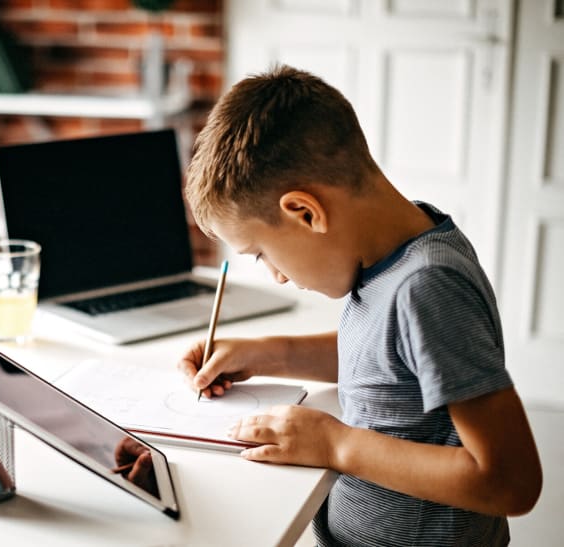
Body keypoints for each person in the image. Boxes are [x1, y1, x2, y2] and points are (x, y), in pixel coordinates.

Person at [178, 64, 542, 546]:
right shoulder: (392, 257)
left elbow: (510, 481)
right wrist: (268, 352)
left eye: (262, 254)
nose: (277, 275)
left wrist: (336, 444)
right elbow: (391, 360)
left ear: (305, 212)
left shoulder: (429, 285)